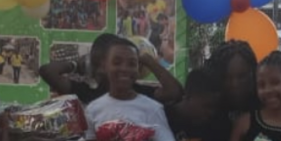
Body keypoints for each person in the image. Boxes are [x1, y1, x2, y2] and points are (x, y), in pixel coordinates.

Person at [39, 33, 184, 105]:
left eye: (130, 63)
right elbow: (47, 71)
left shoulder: (140, 93)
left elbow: (175, 92)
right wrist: (76, 65)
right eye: (116, 62)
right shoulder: (87, 92)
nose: (123, 69)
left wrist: (148, 61)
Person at [204, 40, 258, 119]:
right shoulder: (206, 112)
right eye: (227, 77)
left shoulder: (267, 109)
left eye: (241, 76)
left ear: (253, 74)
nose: (235, 84)